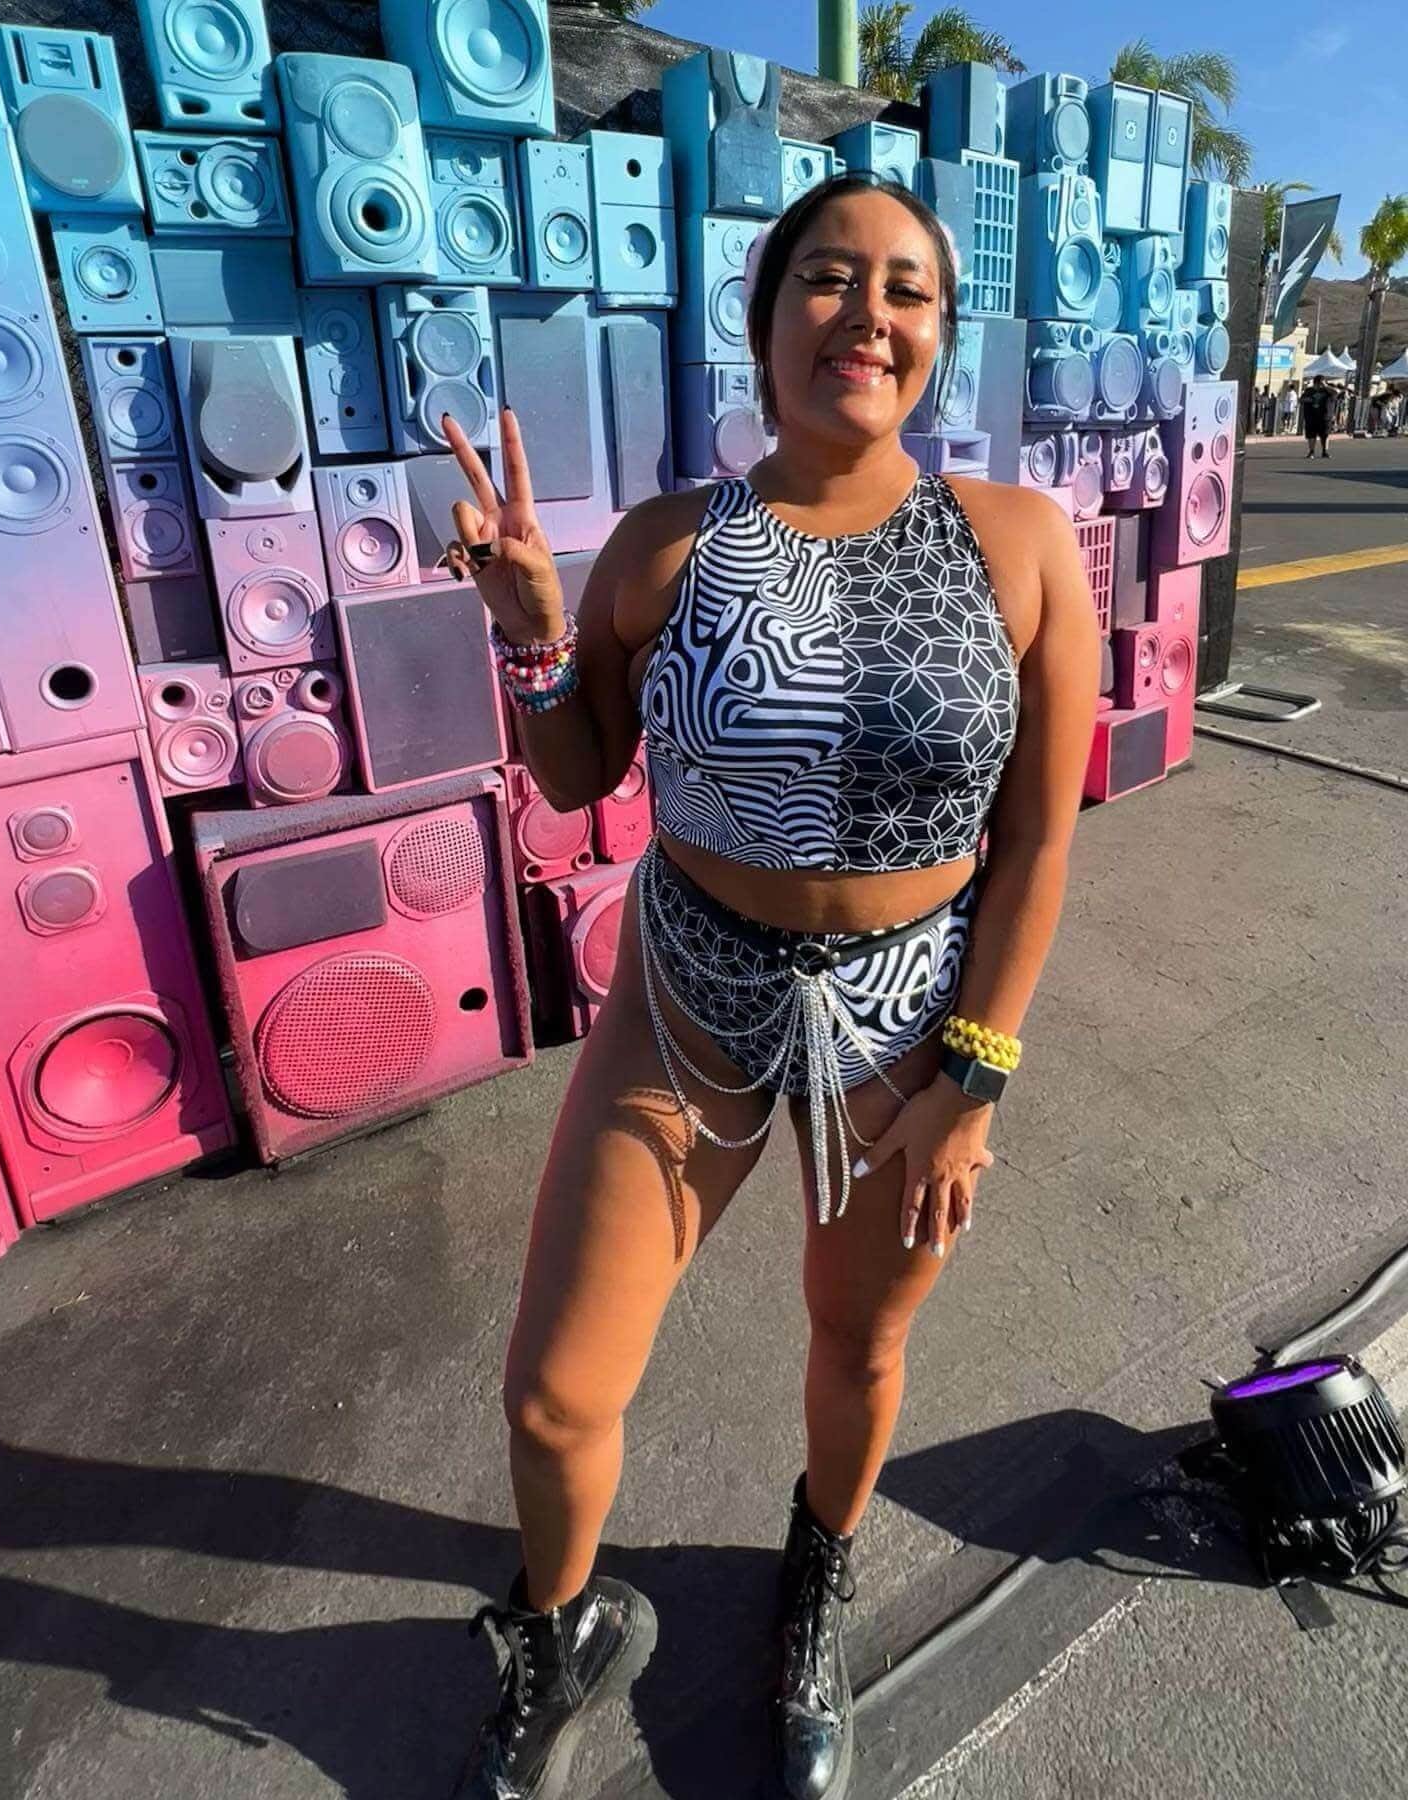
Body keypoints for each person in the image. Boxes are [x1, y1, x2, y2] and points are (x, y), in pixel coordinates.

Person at [438, 171, 1099, 1800]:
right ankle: (565, 1622)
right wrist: (533, 640)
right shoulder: (666, 549)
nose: (862, 314)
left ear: (938, 337)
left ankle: (818, 1575)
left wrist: (977, 1076)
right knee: (550, 1394)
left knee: (856, 1350)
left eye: (904, 289)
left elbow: (1036, 843)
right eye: (824, 278)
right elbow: (584, 774)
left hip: (909, 1031)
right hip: (689, 1008)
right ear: (766, 319)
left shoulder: (1019, 543)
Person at [1301, 375, 1333, 457]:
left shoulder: (1327, 391)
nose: (1319, 386)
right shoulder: (1309, 391)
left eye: (1321, 384)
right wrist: (1309, 400)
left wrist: (1326, 386)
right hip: (1311, 417)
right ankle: (1311, 451)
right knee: (1311, 435)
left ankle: (1325, 451)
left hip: (1324, 417)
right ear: (1314, 383)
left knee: (1325, 435)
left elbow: (1336, 393)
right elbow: (1301, 399)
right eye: (1318, 384)